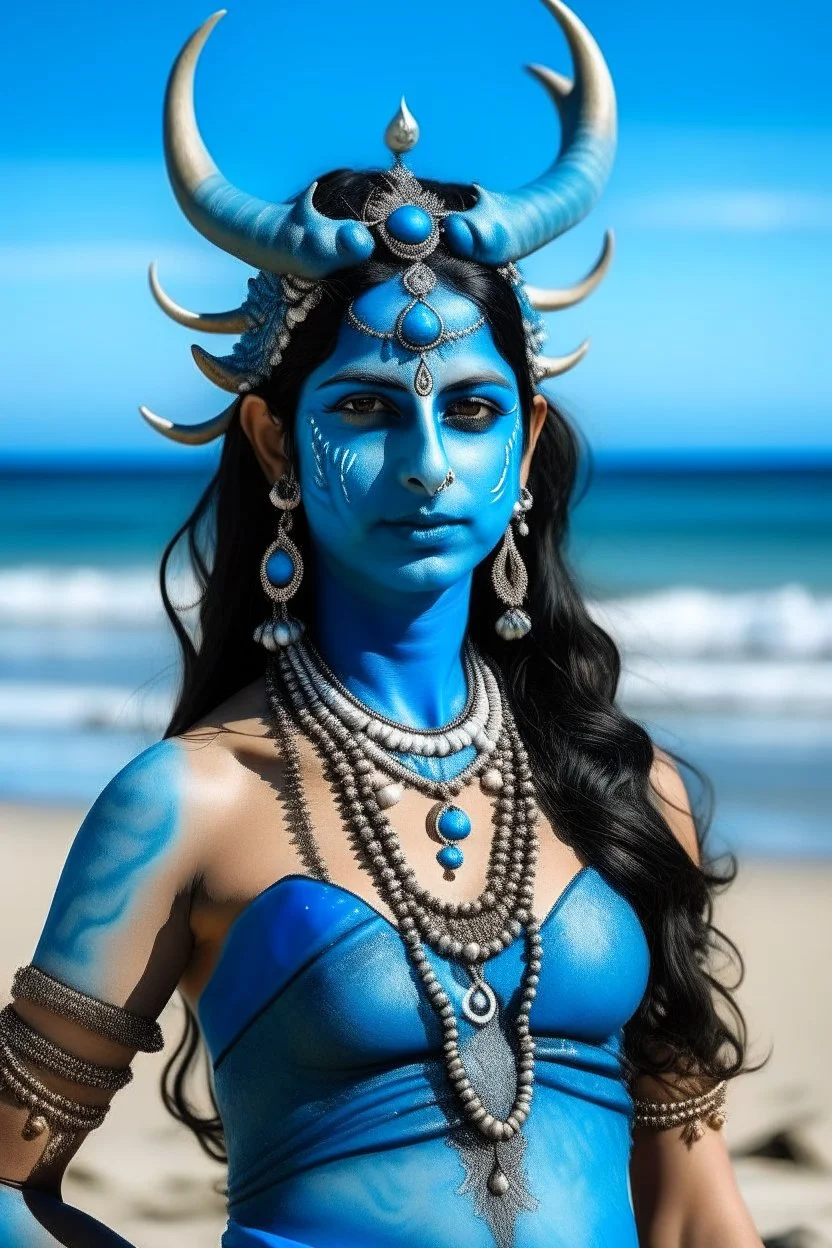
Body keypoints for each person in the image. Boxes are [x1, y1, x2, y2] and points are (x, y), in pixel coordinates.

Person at [0, 2, 767, 1245]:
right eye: (363, 407)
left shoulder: (631, 794)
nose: (425, 462)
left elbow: (692, 1207)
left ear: (524, 448)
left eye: (470, 413)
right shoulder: (187, 801)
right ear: (275, 442)